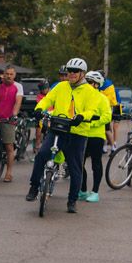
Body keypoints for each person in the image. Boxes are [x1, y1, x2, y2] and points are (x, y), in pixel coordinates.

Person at [25, 57, 105, 213]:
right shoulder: (61, 86)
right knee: (42, 154)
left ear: (83, 73)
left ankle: (72, 200)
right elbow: (47, 99)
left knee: (75, 167)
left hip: (77, 132)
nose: (72, 74)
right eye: (70, 71)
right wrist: (39, 109)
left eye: (76, 71)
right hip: (58, 129)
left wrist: (82, 116)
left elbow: (92, 110)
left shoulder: (90, 91)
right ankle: (34, 187)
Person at [78, 71, 113, 202]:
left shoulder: (102, 98)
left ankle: (95, 192)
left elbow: (106, 117)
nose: (87, 84)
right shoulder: (81, 97)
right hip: (81, 134)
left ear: (97, 85)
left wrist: (91, 124)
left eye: (90, 82)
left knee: (95, 164)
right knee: (78, 163)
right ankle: (82, 190)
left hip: (96, 136)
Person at [0, 66, 24, 181]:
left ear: (14, 75)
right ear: (3, 74)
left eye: (11, 74)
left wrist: (14, 115)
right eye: (6, 73)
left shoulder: (18, 86)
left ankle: (8, 172)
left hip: (8, 120)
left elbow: (18, 102)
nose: (8, 76)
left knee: (9, 146)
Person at [98, 72, 120, 151]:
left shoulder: (108, 86)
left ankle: (113, 145)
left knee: (109, 128)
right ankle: (106, 145)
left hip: (110, 108)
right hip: (106, 109)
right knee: (106, 128)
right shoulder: (102, 84)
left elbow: (111, 100)